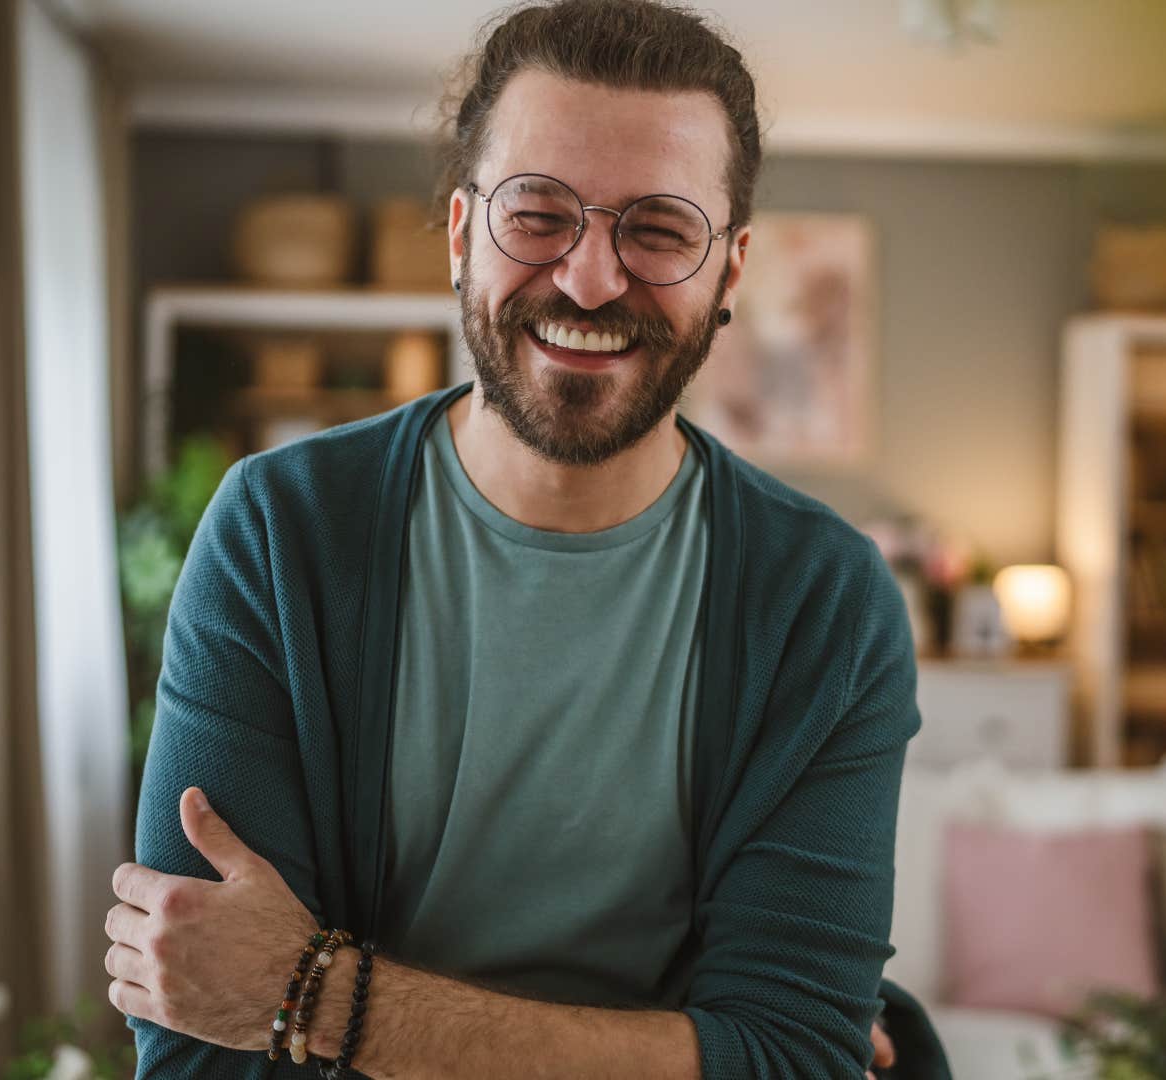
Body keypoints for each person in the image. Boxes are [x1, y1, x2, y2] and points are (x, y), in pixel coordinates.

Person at [103, 2, 949, 1076]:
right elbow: (199, 1034)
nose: (591, 279)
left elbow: (790, 1055)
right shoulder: (281, 533)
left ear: (728, 273)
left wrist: (324, 998)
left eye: (657, 229)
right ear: (461, 232)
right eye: (538, 213)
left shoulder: (825, 600)